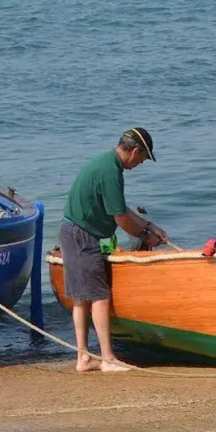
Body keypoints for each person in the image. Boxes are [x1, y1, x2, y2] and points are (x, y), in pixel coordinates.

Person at [61, 128, 166, 373]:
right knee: (98, 296)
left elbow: (121, 209)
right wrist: (143, 235)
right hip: (81, 235)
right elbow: (120, 217)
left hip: (73, 232)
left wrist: (150, 226)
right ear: (135, 152)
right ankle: (107, 358)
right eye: (143, 159)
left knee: (82, 298)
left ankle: (84, 359)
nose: (141, 164)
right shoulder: (111, 172)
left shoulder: (106, 163)